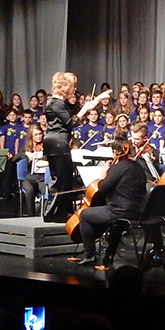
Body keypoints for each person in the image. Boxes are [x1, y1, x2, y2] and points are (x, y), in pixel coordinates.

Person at [43, 71, 111, 223]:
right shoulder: (56, 103)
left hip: (56, 143)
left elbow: (72, 113)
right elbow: (71, 122)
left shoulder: (58, 103)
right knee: (61, 179)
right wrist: (86, 109)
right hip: (58, 143)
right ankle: (54, 213)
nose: (74, 90)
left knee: (64, 178)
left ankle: (60, 212)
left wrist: (96, 100)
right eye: (72, 87)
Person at [74, 140, 147, 268]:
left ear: (115, 152)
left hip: (119, 211)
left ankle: (90, 254)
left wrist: (104, 171)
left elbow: (102, 187)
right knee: (105, 217)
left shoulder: (118, 167)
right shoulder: (138, 166)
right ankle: (109, 253)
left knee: (85, 214)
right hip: (137, 210)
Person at [15, 124, 47, 217]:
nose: (38, 137)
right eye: (35, 135)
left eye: (40, 134)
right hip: (29, 177)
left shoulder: (46, 146)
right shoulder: (26, 147)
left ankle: (43, 214)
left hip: (42, 177)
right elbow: (14, 159)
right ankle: (31, 215)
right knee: (29, 190)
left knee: (47, 190)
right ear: (31, 136)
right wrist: (26, 154)